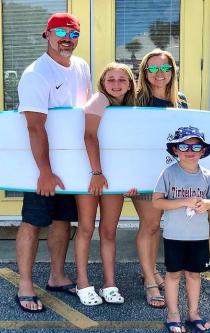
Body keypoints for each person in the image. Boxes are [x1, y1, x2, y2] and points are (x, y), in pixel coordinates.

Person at [15, 12, 91, 313]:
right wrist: (45, 172)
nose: (67, 39)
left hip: (71, 165)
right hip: (41, 166)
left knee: (63, 221)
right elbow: (35, 127)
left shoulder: (81, 66)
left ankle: (57, 277)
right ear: (46, 35)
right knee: (33, 222)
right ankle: (24, 285)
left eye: (73, 34)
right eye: (60, 32)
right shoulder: (37, 74)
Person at [74, 63, 136, 306]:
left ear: (130, 83)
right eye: (111, 79)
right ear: (102, 82)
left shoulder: (131, 108)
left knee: (109, 231)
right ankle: (83, 282)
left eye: (122, 79)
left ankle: (109, 283)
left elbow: (131, 149)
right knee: (86, 228)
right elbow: (89, 135)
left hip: (115, 178)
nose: (117, 84)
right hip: (91, 175)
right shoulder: (99, 100)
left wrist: (132, 180)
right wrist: (96, 172)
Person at [152, 126, 210, 333]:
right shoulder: (169, 173)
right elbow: (157, 202)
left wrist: (208, 203)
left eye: (195, 146)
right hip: (174, 235)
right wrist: (184, 201)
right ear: (175, 150)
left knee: (194, 275)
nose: (189, 150)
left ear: (203, 151)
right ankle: (173, 314)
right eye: (183, 146)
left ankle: (193, 313)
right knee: (173, 275)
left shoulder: (208, 176)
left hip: (198, 236)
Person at [133, 49, 188, 309]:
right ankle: (150, 282)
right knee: (150, 224)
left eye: (164, 68)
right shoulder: (135, 100)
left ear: (172, 72)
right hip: (143, 174)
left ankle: (151, 270)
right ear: (145, 72)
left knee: (157, 226)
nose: (159, 74)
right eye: (153, 69)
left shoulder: (181, 101)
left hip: (169, 175)